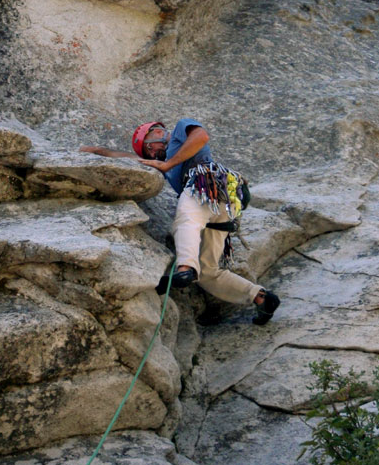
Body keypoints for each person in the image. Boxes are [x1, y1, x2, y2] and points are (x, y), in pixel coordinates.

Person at [80, 118, 280, 325]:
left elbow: (201, 136)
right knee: (209, 272)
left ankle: (185, 269)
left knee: (185, 221)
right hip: (222, 206)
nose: (152, 155)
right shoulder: (164, 160)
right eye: (148, 154)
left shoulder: (179, 131)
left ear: (157, 133)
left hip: (204, 182)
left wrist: (167, 164)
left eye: (149, 148)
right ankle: (260, 297)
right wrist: (95, 150)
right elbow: (124, 157)